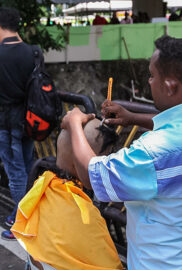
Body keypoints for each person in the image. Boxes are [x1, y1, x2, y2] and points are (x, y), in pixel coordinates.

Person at [61, 35, 182, 269]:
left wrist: (75, 124)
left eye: (152, 75)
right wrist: (133, 118)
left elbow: (91, 174)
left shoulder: (153, 152)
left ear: (170, 86)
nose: (149, 81)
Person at [11, 118, 122, 270]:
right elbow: (111, 266)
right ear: (80, 164)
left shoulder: (42, 188)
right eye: (103, 160)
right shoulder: (86, 217)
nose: (105, 166)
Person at [0, 7, 37, 240]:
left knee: (16, 174)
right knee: (27, 168)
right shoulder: (32, 52)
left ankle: (23, 223)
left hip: (3, 123)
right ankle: (21, 215)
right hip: (29, 121)